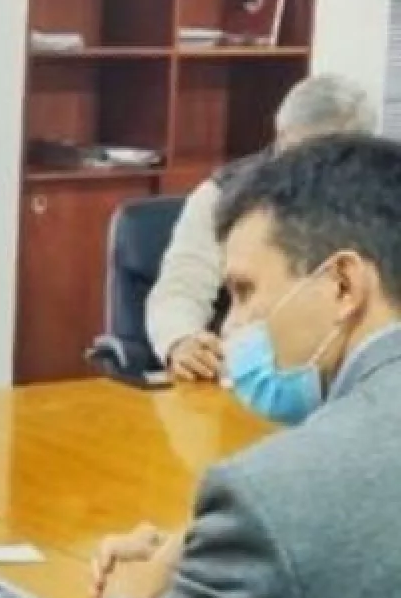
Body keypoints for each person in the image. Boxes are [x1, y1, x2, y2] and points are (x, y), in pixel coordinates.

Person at [60, 134, 401, 598]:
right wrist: (216, 557)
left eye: (244, 292)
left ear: (343, 285)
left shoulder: (286, 493)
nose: (231, 326)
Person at [147, 74, 376, 382]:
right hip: (251, 373)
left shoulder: (379, 199)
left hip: (354, 371)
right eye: (303, 156)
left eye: (333, 161)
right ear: (282, 137)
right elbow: (182, 286)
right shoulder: (223, 196)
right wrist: (181, 340)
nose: (315, 174)